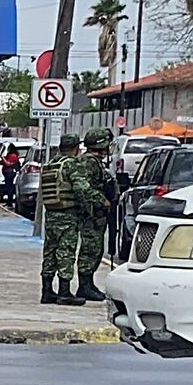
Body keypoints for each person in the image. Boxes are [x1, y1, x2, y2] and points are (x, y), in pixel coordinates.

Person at [68, 128, 117, 303]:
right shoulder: (89, 162)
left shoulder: (96, 162)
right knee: (90, 249)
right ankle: (84, 285)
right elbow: (82, 187)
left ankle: (88, 284)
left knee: (96, 249)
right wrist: (101, 200)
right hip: (91, 214)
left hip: (97, 214)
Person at [38, 134, 86, 305]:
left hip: (51, 214)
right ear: (74, 148)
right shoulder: (71, 164)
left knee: (50, 252)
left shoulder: (51, 163)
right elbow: (81, 188)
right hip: (67, 214)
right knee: (66, 251)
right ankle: (64, 292)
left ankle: (47, 291)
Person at [1, 143, 21, 208]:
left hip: (10, 173)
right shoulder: (11, 155)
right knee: (8, 187)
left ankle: (9, 202)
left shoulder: (13, 156)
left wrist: (3, 158)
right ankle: (8, 202)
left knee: (9, 188)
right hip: (7, 173)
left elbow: (8, 164)